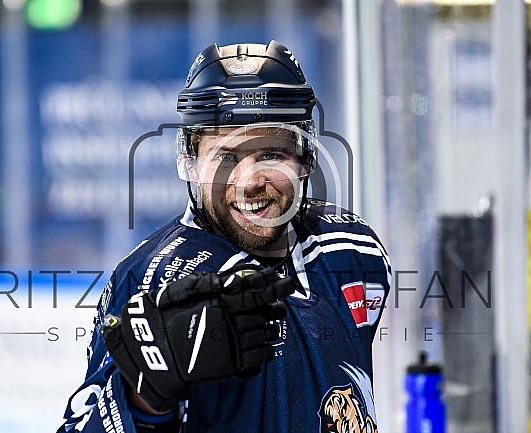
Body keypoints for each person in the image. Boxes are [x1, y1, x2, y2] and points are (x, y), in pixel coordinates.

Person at [59, 40, 391, 433]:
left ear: (306, 157)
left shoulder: (353, 250)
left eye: (270, 154)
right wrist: (144, 399)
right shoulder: (150, 279)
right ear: (191, 164)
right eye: (225, 157)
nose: (249, 182)